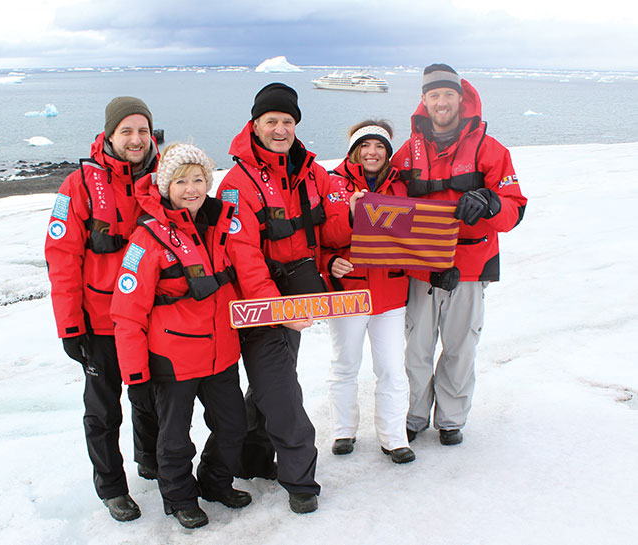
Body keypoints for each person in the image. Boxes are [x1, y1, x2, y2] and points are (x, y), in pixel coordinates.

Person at [216, 83, 346, 514]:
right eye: (271, 121)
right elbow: (243, 254)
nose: (279, 129)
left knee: (271, 384)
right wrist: (277, 310)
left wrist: (352, 213)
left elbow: (329, 232)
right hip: (260, 306)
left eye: (287, 121)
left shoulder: (313, 174)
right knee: (283, 391)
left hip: (300, 299)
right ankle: (300, 480)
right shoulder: (236, 183)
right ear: (255, 125)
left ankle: (249, 459)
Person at [111, 143, 255, 529]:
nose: (191, 188)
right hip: (172, 356)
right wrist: (135, 373)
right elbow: (127, 310)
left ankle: (215, 481)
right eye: (180, 181)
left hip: (222, 351)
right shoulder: (147, 238)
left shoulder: (222, 224)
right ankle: (179, 498)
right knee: (174, 437)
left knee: (233, 425)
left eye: (198, 179)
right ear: (165, 187)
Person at [391, 64, 527, 446]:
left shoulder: (490, 148)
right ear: (425, 100)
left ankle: (451, 418)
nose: (441, 102)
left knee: (460, 347)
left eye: (447, 94)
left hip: (469, 267)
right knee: (416, 348)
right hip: (421, 269)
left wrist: (488, 201)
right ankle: (415, 414)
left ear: (460, 97)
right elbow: (387, 195)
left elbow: (515, 207)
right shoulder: (409, 150)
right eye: (433, 95)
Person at [44, 96, 160, 521]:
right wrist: (70, 326)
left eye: (143, 131)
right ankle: (111, 486)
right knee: (104, 409)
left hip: (153, 318)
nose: (136, 139)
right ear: (109, 135)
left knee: (152, 400)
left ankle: (150, 462)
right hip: (101, 323)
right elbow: (61, 258)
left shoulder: (165, 179)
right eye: (126, 131)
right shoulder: (77, 186)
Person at [319, 120, 415, 464]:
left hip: (390, 291)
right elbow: (322, 236)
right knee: (345, 364)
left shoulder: (402, 186)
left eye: (379, 147)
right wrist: (330, 260)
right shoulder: (332, 184)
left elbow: (414, 235)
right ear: (354, 150)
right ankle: (343, 430)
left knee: (391, 367)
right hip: (349, 291)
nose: (372, 152)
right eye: (365, 146)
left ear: (388, 153)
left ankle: (393, 436)